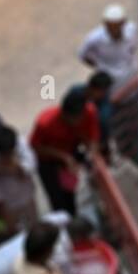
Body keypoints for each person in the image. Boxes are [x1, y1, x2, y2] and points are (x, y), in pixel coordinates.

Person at [29, 85, 101, 216]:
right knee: (57, 201)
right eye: (70, 119)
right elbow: (35, 146)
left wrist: (92, 155)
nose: (74, 122)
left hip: (71, 154)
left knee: (70, 196)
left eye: (77, 118)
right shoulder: (45, 122)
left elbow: (92, 138)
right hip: (48, 162)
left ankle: (72, 217)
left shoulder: (89, 112)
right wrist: (63, 157)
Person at [0, 125, 39, 242]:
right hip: (10, 206)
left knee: (34, 229)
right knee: (17, 235)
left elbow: (30, 168)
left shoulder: (22, 146)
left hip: (28, 198)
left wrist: (12, 167)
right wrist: (5, 216)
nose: (7, 155)